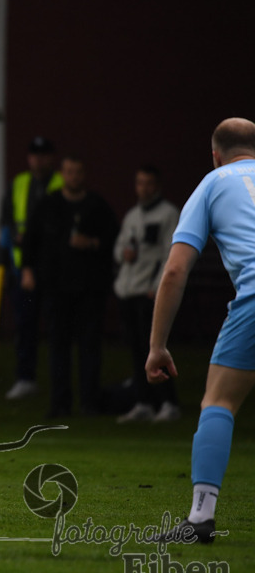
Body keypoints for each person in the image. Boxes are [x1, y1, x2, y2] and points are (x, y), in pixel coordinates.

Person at [147, 117, 255, 544]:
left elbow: (175, 271)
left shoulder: (212, 184)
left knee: (219, 401)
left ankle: (200, 518)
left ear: (215, 155)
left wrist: (157, 346)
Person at [21, 154, 118, 418]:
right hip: (55, 288)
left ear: (84, 175)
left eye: (78, 172)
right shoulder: (48, 205)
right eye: (69, 171)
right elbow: (30, 239)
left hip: (90, 289)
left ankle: (89, 403)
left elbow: (114, 240)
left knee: (90, 346)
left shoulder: (96, 206)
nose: (73, 176)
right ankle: (59, 404)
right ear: (62, 174)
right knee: (57, 346)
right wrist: (28, 270)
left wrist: (92, 243)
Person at [113, 165, 180, 424]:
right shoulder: (132, 216)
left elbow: (169, 254)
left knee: (155, 347)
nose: (144, 188)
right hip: (128, 290)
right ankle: (144, 401)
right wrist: (123, 255)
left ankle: (168, 402)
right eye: (140, 183)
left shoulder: (167, 214)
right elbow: (119, 248)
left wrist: (158, 285)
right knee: (136, 349)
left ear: (158, 185)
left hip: (150, 292)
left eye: (149, 183)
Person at [0, 136, 63, 401]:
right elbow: (6, 226)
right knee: (24, 326)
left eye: (44, 154)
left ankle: (58, 385)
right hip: (19, 270)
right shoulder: (19, 185)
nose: (38, 159)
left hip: (53, 270)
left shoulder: (61, 184)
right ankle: (26, 378)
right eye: (34, 154)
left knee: (58, 329)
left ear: (52, 157)